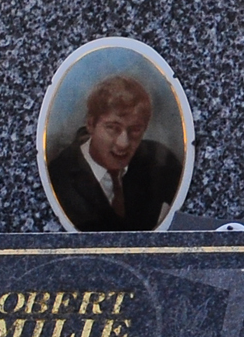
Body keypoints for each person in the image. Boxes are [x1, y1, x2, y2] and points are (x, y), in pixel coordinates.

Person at [45, 71, 185, 232]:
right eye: (112, 128)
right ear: (91, 124)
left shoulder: (160, 164)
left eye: (135, 130)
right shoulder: (60, 176)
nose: (123, 143)